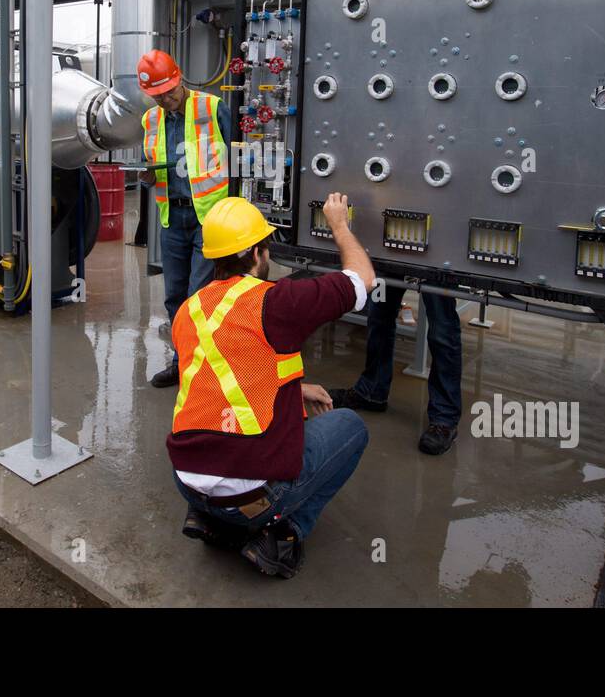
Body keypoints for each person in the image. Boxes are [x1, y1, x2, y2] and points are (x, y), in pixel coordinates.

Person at [168, 193, 376, 579]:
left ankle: (209, 518)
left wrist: (295, 388)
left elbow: (220, 376)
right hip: (254, 498)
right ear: (259, 253)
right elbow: (363, 279)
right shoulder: (278, 302)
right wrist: (339, 225)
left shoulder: (189, 310)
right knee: (351, 427)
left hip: (186, 482)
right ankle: (281, 536)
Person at [136, 49, 233, 388]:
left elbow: (239, 158)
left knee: (199, 295)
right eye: (158, 96)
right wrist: (146, 177)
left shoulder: (212, 108)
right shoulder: (150, 120)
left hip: (209, 219)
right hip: (171, 218)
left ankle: (203, 370)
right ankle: (182, 364)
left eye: (169, 92)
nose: (165, 100)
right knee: (174, 297)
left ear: (179, 79)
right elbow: (149, 167)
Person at [329, 282, 464, 455]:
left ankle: (445, 418)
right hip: (392, 259)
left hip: (437, 265)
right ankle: (372, 392)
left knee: (442, 329)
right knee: (379, 315)